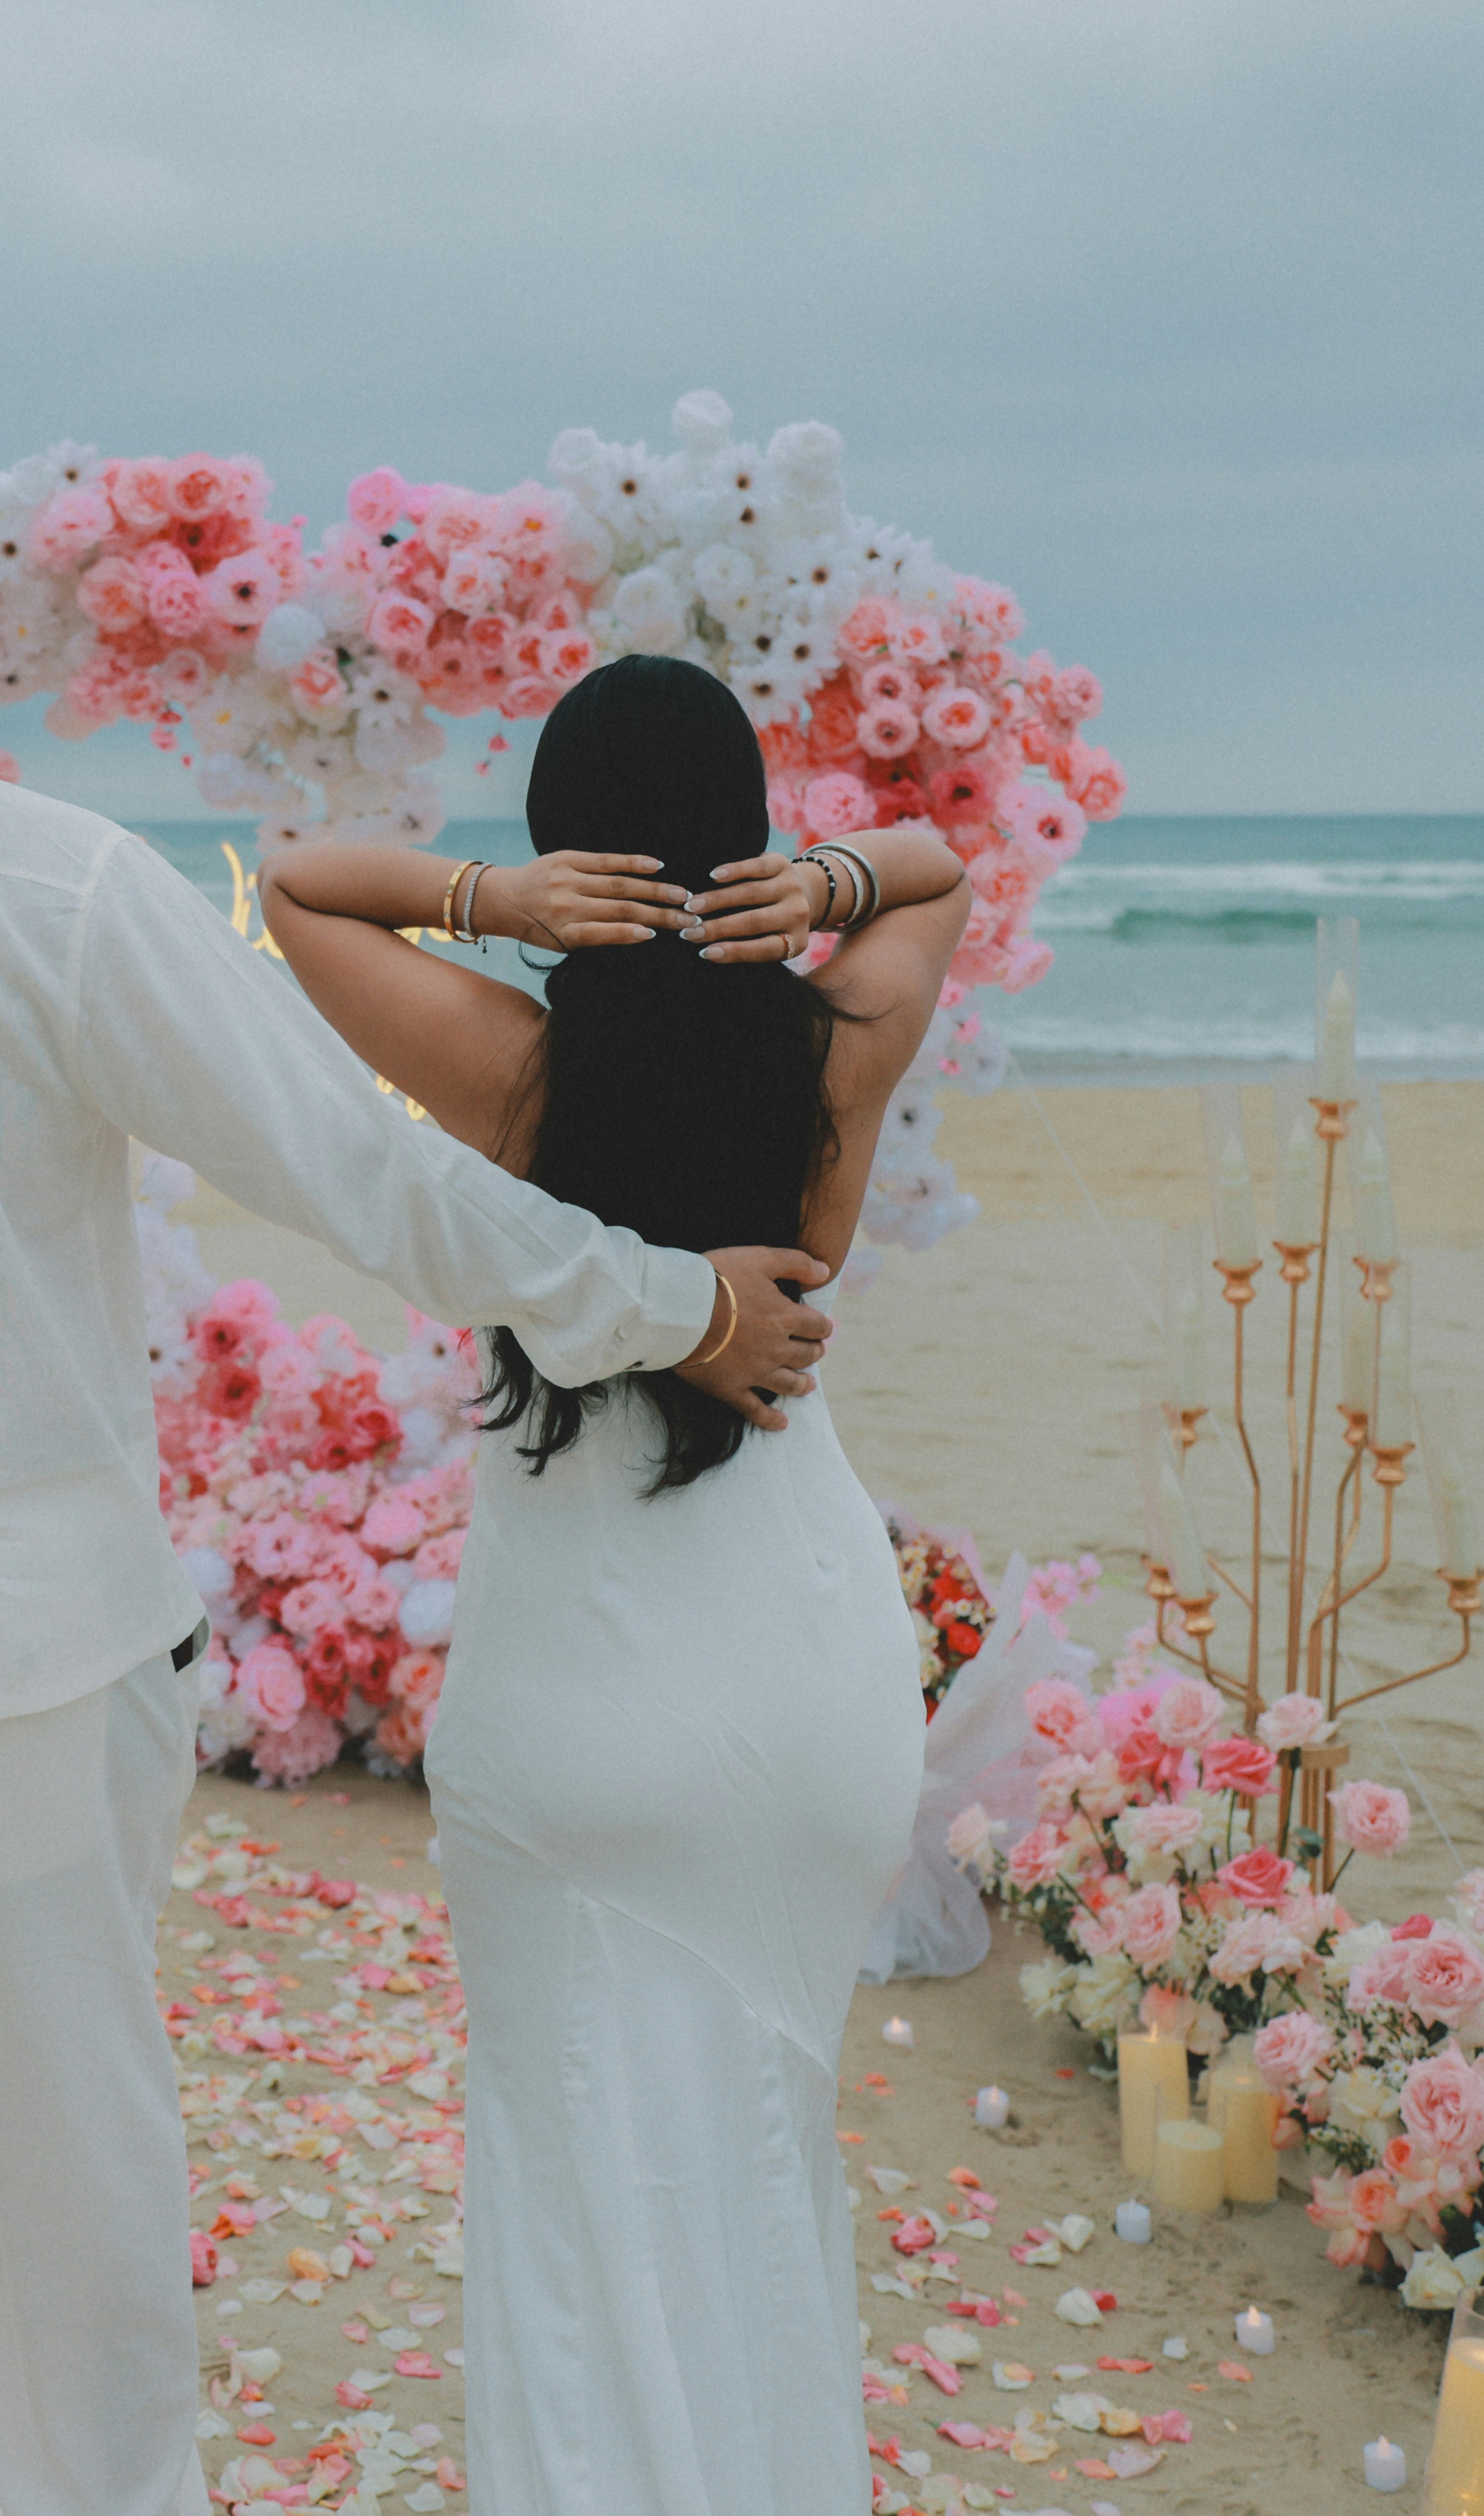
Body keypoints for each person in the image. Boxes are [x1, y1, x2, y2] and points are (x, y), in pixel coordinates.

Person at [0, 442, 841, 2516]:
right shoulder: (59, 885)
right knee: (84, 2163)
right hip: (29, 1636)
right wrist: (660, 1301)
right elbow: (359, 1170)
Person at [257, 651, 972, 2516]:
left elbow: (298, 889)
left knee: (581, 2194)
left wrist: (496, 903)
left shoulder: (514, 1067)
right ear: (738, 843)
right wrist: (821, 887)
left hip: (584, 1679)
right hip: (809, 1675)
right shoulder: (844, 1044)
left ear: (569, 852)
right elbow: (941, 874)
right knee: (763, 2153)